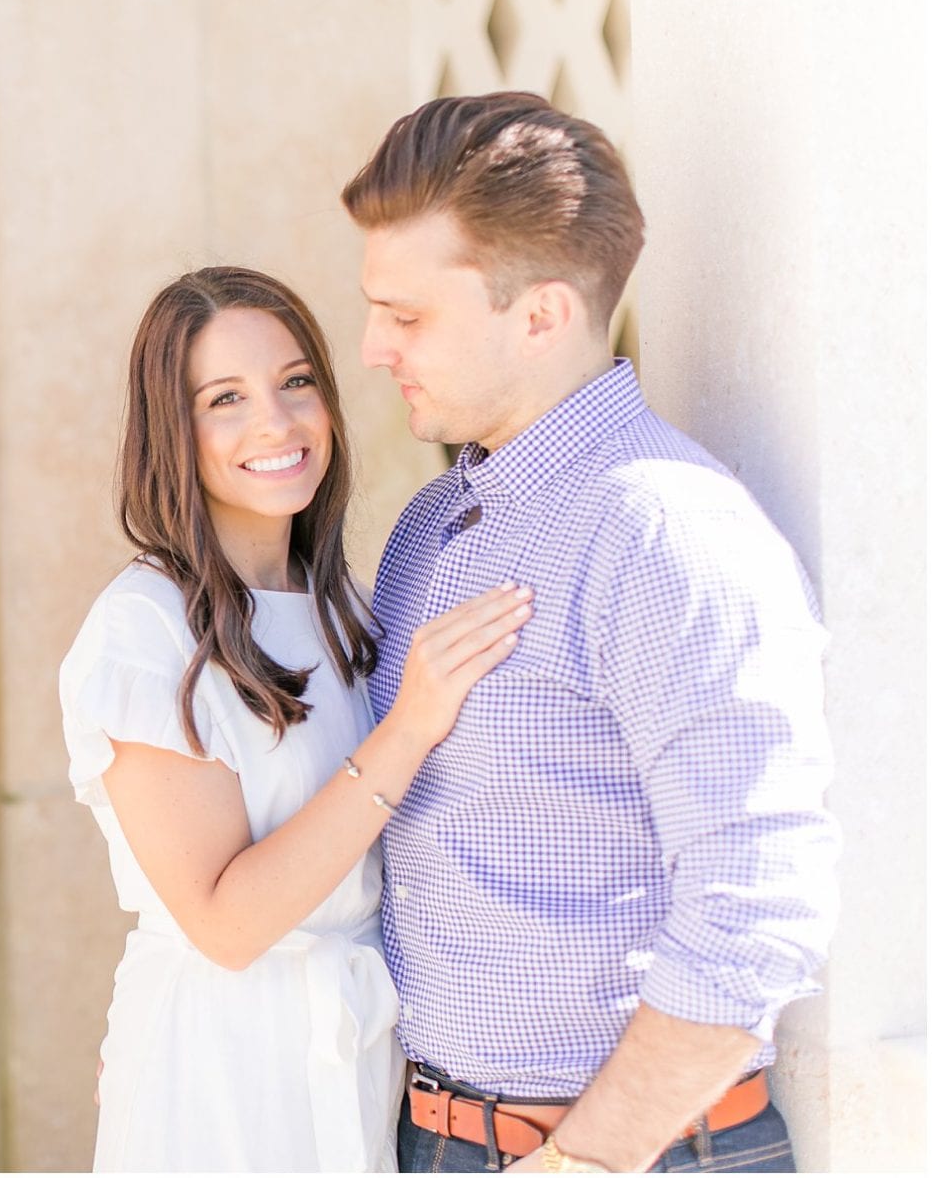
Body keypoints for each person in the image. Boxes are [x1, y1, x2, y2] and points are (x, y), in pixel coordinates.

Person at [341, 92, 840, 1173]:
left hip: (638, 1155)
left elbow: (759, 900)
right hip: (433, 1140)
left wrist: (581, 1162)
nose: (373, 347)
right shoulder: (429, 529)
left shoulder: (667, 537)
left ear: (541, 315)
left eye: (408, 314)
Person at [59, 265, 534, 1171]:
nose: (276, 424)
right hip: (224, 1069)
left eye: (296, 382)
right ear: (174, 430)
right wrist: (410, 726)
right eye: (225, 399)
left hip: (361, 1046)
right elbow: (229, 926)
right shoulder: (146, 630)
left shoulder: (339, 603)